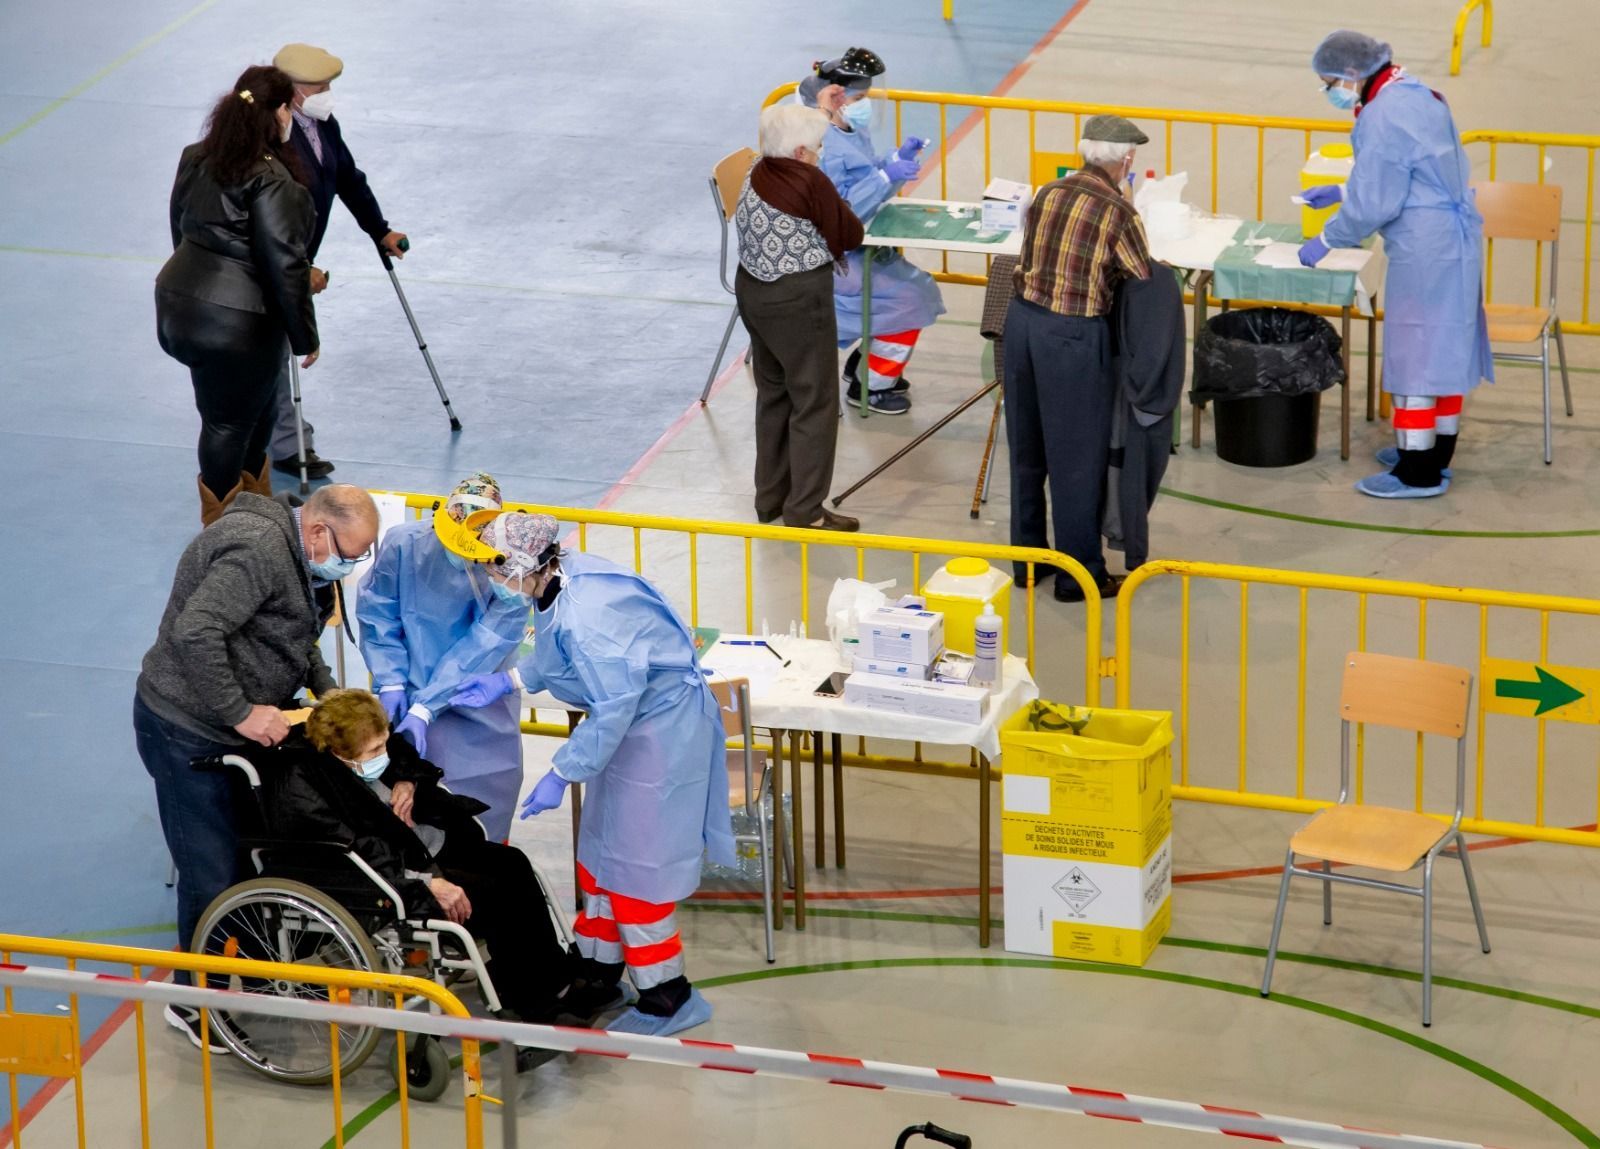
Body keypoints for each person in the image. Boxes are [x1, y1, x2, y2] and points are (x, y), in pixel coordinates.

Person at [449, 513, 736, 1037]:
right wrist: (511, 679)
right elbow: (561, 650)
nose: (489, 579)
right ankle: (599, 971)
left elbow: (611, 707)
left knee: (638, 872)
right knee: (602, 857)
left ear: (519, 565)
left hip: (659, 738)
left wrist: (561, 772)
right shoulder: (565, 578)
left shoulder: (591, 617)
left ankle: (668, 996)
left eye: (492, 569)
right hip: (635, 734)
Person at [134, 484, 378, 1050]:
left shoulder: (304, 558)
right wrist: (242, 713)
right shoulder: (257, 551)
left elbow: (295, 635)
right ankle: (195, 1004)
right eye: (350, 551)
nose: (352, 563)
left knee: (251, 854)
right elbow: (194, 632)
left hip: (229, 725)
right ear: (318, 531)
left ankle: (255, 970)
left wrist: (325, 690)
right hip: (184, 727)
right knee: (210, 869)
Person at [267, 690, 576, 1066]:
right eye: (373, 751)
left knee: (512, 863)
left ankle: (550, 983)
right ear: (339, 755)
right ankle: (538, 1012)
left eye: (383, 743)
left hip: (426, 848)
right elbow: (356, 851)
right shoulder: (307, 785)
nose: (383, 755)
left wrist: (407, 781)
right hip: (391, 876)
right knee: (491, 896)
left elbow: (404, 756)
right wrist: (425, 882)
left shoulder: (373, 749)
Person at [1299, 30, 1492, 499]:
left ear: (1351, 74)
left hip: (1425, 251)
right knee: (1443, 350)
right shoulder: (1415, 92)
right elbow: (1415, 170)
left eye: (1330, 83)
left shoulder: (1384, 114)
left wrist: (1328, 237)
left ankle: (1417, 470)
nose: (1330, 92)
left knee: (1417, 359)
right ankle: (1433, 453)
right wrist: (1345, 191)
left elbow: (1377, 201)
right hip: (1450, 242)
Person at [155, 64, 318, 524]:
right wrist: (306, 337)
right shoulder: (272, 180)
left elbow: (179, 225)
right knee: (228, 423)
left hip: (180, 304)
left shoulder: (197, 156)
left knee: (252, 411)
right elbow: (284, 263)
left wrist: (194, 293)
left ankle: (252, 511)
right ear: (279, 112)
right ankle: (224, 527)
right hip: (238, 321)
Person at [1003, 115, 1153, 603]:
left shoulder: (1049, 191)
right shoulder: (1119, 212)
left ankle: (1028, 562)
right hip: (1071, 336)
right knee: (1075, 459)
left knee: (1027, 449)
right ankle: (1079, 574)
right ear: (1126, 159)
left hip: (1023, 325)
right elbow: (1140, 274)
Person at [356, 473, 529, 841]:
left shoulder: (510, 569)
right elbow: (378, 613)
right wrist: (391, 680)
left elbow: (482, 648)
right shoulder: (406, 544)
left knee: (481, 819)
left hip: (477, 703)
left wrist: (426, 707)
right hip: (405, 692)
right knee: (405, 817)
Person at [266, 43, 410, 482]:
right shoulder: (269, 142)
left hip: (295, 254)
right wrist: (297, 265)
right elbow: (269, 218)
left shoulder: (322, 125)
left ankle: (281, 436)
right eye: (319, 86)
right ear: (290, 92)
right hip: (272, 258)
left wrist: (378, 229)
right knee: (275, 348)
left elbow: (346, 177)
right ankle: (289, 445)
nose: (327, 93)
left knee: (274, 348)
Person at [734, 104, 865, 532]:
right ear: (803, 152)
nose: (823, 153)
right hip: (798, 300)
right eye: (820, 146)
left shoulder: (755, 172)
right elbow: (849, 233)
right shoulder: (810, 180)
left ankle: (769, 499)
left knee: (773, 394)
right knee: (814, 400)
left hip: (754, 292)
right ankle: (806, 510)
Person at [798, 47, 945, 415]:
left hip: (858, 247)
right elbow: (839, 214)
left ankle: (866, 361)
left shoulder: (846, 128)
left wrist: (895, 161)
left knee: (914, 284)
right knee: (911, 298)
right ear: (834, 96)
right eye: (858, 98)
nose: (864, 105)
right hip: (834, 260)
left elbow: (866, 176)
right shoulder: (820, 144)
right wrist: (884, 177)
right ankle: (872, 386)